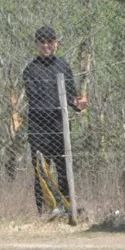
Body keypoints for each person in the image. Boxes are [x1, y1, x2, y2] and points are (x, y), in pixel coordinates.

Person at [22, 25, 87, 215]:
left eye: (49, 41)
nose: (46, 45)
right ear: (36, 44)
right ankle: (44, 211)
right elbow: (37, 100)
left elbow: (71, 95)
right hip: (38, 129)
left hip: (60, 128)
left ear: (56, 43)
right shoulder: (30, 70)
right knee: (41, 171)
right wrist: (63, 102)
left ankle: (68, 208)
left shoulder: (63, 66)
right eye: (42, 41)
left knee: (64, 169)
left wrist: (78, 104)